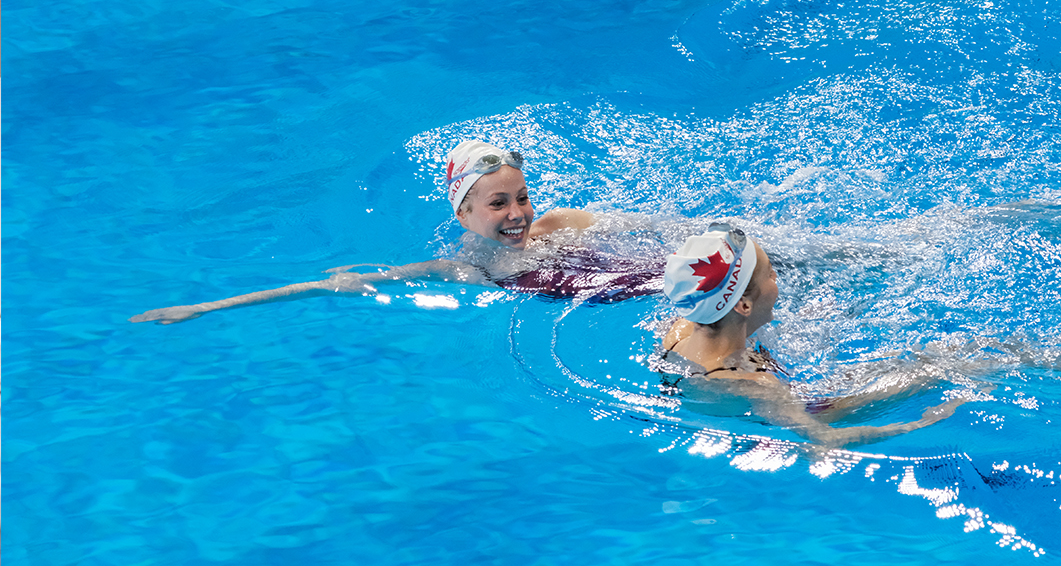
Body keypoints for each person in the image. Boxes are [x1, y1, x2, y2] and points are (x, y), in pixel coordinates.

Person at [132, 140, 663, 324]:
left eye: (522, 197)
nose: (518, 214)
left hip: (664, 282)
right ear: (463, 216)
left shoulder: (561, 223)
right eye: (498, 203)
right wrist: (206, 307)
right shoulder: (463, 271)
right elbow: (334, 285)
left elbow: (670, 229)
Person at [656, 223, 972, 448]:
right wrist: (923, 422)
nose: (776, 277)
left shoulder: (680, 330)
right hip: (820, 407)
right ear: (744, 305)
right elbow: (824, 440)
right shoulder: (755, 385)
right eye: (770, 274)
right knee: (946, 364)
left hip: (771, 380)